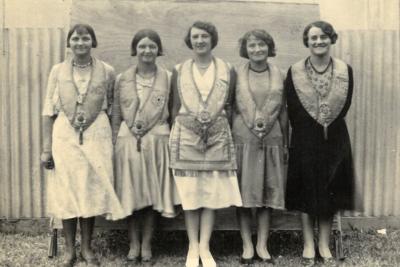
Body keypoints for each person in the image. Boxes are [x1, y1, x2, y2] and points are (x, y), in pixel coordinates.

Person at [40, 24, 124, 267]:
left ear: (93, 41)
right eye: (75, 39)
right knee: (67, 190)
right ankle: (69, 251)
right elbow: (48, 111)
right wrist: (46, 148)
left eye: (85, 38)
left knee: (90, 188)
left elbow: (113, 108)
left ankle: (87, 248)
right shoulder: (58, 71)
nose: (80, 43)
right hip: (65, 134)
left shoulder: (107, 71)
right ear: (69, 43)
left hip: (97, 133)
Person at [169, 21, 242, 267]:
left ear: (212, 39)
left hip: (217, 135)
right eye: (195, 37)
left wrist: (221, 129)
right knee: (190, 192)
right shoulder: (179, 69)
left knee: (211, 192)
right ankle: (192, 246)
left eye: (204, 36)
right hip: (187, 135)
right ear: (190, 41)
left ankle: (205, 246)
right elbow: (173, 106)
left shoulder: (226, 69)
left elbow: (230, 105)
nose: (200, 40)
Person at [284, 21, 354, 266]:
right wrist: (311, 125)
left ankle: (323, 242)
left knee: (330, 190)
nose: (318, 42)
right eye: (313, 38)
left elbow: (345, 104)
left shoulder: (345, 70)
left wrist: (326, 120)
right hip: (305, 137)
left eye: (323, 37)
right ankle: (308, 243)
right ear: (307, 42)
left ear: (331, 38)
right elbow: (292, 107)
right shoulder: (295, 71)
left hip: (334, 137)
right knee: (306, 190)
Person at [112, 29, 180, 263]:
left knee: (152, 192)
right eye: (142, 46)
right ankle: (133, 244)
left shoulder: (169, 77)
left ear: (158, 50)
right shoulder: (122, 78)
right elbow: (116, 113)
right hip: (128, 141)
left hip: (157, 140)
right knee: (131, 193)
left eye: (152, 46)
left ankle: (147, 244)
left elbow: (173, 111)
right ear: (135, 50)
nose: (147, 50)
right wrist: (113, 141)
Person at [232, 29, 288, 265]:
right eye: (252, 45)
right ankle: (247, 245)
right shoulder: (236, 74)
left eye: (262, 45)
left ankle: (262, 245)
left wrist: (285, 141)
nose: (257, 49)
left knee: (267, 191)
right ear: (246, 49)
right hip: (244, 139)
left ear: (269, 47)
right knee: (244, 193)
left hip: (272, 139)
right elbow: (230, 107)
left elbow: (284, 111)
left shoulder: (279, 74)